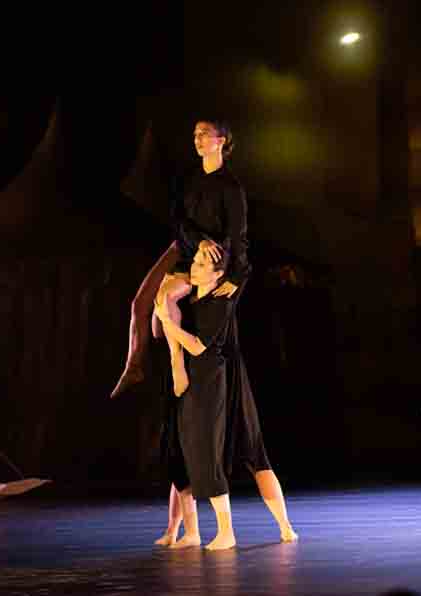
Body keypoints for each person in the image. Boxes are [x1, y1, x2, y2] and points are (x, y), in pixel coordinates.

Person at [157, 248, 297, 550]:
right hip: (197, 381)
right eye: (194, 261)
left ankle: (277, 526)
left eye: (201, 263)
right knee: (184, 454)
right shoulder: (192, 300)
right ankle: (190, 532)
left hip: (217, 380)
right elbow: (166, 326)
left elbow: (198, 345)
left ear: (219, 274)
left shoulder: (221, 302)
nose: (193, 267)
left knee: (249, 453)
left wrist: (170, 325)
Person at [110, 119, 249, 400]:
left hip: (209, 259)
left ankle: (173, 363)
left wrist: (237, 275)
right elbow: (179, 220)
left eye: (204, 134)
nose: (197, 139)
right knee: (149, 300)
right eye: (195, 134)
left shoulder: (231, 188)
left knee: (165, 301)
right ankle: (168, 358)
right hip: (186, 247)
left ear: (221, 141)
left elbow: (238, 235)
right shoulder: (190, 179)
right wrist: (198, 240)